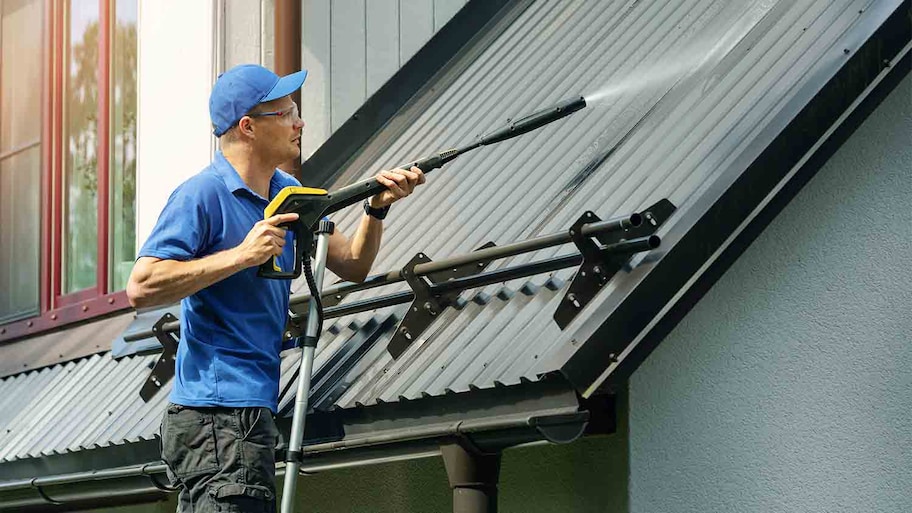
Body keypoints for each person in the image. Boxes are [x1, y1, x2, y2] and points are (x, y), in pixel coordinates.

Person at [126, 64, 425, 512]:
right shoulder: (201, 195)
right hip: (216, 415)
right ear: (248, 127)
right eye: (286, 114)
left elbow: (353, 264)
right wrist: (242, 255)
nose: (299, 123)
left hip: (246, 412)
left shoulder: (288, 191)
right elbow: (141, 286)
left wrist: (376, 210)